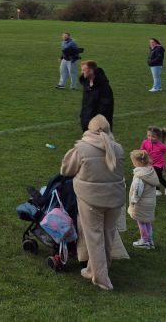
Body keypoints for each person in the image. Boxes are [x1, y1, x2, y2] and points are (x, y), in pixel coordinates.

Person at [60, 115, 127, 291]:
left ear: (90, 129)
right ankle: (94, 270)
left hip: (91, 200)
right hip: (115, 200)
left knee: (95, 238)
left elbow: (66, 170)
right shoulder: (118, 149)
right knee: (107, 235)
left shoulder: (81, 148)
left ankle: (101, 279)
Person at [127, 149, 159, 249]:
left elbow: (137, 191)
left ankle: (144, 240)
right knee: (147, 221)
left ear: (138, 162)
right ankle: (150, 240)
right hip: (150, 202)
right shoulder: (150, 171)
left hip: (141, 203)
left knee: (141, 221)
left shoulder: (139, 176)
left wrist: (133, 202)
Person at [141, 126, 166, 196]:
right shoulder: (145, 142)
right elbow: (141, 150)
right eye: (148, 135)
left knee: (157, 176)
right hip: (150, 163)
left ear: (158, 137)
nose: (150, 138)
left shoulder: (162, 146)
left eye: (153, 136)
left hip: (159, 164)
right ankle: (157, 190)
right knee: (152, 176)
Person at [80, 60, 114, 132]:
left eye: (84, 70)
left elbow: (106, 107)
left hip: (99, 126)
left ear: (91, 71)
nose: (82, 72)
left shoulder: (103, 86)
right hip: (87, 122)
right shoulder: (86, 84)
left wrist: (96, 122)